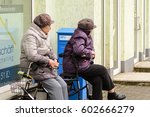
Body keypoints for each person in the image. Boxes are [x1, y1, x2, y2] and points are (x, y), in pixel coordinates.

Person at [62, 18, 126, 100]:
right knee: (102, 69)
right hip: (75, 66)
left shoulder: (84, 35)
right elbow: (78, 50)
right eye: (91, 29)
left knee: (97, 80)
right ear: (88, 29)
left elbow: (88, 48)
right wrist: (90, 53)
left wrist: (91, 54)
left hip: (81, 64)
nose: (92, 30)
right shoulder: (79, 36)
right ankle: (112, 93)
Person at [20, 13, 68, 100]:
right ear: (42, 26)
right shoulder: (30, 35)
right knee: (56, 87)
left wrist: (54, 59)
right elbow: (32, 56)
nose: (50, 28)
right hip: (33, 69)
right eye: (49, 26)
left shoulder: (45, 35)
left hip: (45, 69)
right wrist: (49, 61)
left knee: (63, 85)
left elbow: (50, 50)